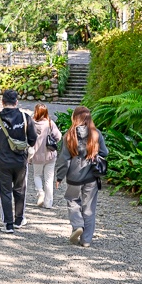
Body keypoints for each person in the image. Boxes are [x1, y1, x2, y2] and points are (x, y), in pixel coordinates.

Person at [0, 89, 37, 234]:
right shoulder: (25, 118)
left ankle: (8, 224)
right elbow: (33, 139)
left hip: (2, 162)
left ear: (2, 102)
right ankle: (19, 219)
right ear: (16, 102)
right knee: (20, 190)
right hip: (21, 161)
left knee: (5, 192)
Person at [55, 106, 108, 248]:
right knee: (89, 208)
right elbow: (105, 152)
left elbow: (64, 160)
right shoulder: (96, 134)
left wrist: (59, 177)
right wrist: (94, 153)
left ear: (75, 117)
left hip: (73, 177)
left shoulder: (69, 135)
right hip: (91, 176)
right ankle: (86, 240)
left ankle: (78, 225)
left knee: (72, 200)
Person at [29, 104, 61, 209]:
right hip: (49, 155)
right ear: (46, 112)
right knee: (49, 179)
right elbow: (58, 136)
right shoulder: (50, 123)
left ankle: (40, 192)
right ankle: (48, 203)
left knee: (37, 175)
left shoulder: (31, 123)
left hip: (36, 155)